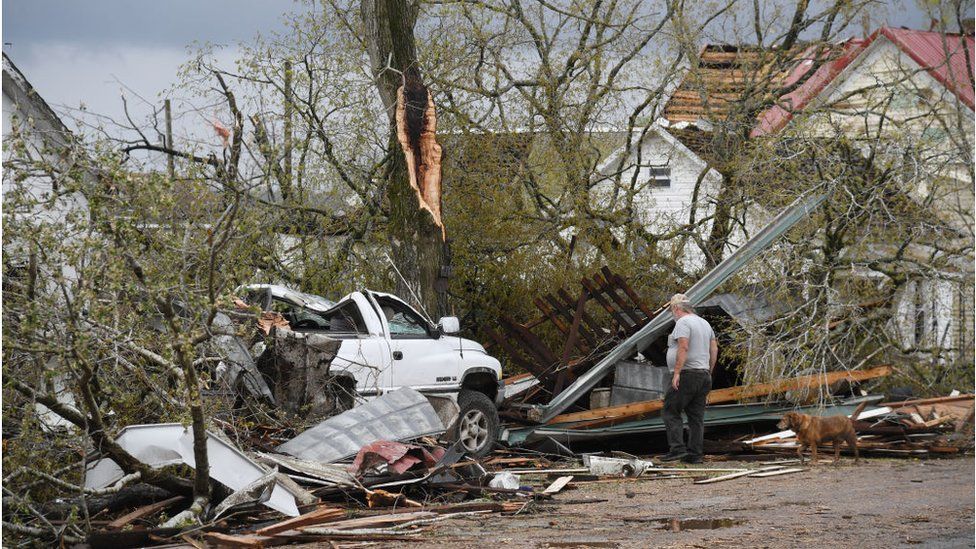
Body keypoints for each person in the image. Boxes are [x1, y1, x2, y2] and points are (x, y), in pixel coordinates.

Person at [659, 293, 718, 464]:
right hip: (703, 374)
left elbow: (683, 346)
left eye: (672, 310)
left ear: (677, 308)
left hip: (687, 374)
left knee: (670, 411)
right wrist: (709, 371)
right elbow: (714, 349)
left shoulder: (683, 322)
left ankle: (677, 449)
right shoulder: (704, 323)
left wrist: (677, 372)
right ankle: (695, 454)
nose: (673, 314)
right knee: (696, 416)